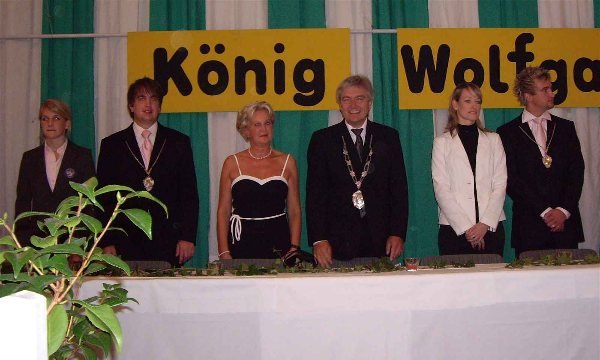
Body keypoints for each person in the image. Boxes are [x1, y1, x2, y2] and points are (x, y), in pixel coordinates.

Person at [306, 75, 408, 266]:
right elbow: (315, 195)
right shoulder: (323, 140)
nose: (353, 105)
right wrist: (319, 239)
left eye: (360, 98)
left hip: (381, 240)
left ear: (369, 103)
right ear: (339, 104)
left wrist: (397, 232)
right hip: (336, 241)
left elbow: (398, 190)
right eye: (346, 99)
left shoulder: (388, 137)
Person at [97, 77, 199, 265]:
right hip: (124, 241)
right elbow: (104, 198)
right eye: (141, 98)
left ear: (160, 106)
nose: (148, 104)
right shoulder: (112, 145)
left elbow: (188, 194)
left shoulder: (178, 142)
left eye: (154, 98)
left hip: (169, 240)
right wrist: (106, 240)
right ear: (131, 106)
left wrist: (187, 236)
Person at [497, 66, 584, 256]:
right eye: (545, 90)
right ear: (528, 95)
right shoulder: (507, 133)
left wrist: (562, 211)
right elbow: (511, 178)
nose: (552, 93)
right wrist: (545, 212)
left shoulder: (566, 128)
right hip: (530, 226)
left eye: (551, 88)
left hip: (565, 224)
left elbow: (576, 172)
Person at [216, 101, 301, 259]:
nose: (264, 129)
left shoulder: (288, 162)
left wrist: (294, 247)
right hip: (241, 243)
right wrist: (223, 251)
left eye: (267, 123)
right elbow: (223, 211)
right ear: (246, 130)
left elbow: (294, 210)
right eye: (257, 125)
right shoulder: (231, 163)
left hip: (279, 243)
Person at [431, 83, 507, 256]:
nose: (474, 106)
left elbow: (500, 183)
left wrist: (484, 224)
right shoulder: (441, 143)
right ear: (455, 104)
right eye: (468, 101)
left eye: (477, 101)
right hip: (454, 229)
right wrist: (467, 228)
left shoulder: (494, 140)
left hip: (491, 228)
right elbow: (441, 188)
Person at [15, 99, 95, 246]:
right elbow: (22, 202)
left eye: (56, 118)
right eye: (45, 119)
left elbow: (88, 205)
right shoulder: (30, 158)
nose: (50, 123)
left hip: (71, 239)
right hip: (37, 240)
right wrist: (23, 242)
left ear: (67, 124)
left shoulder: (82, 156)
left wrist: (79, 244)